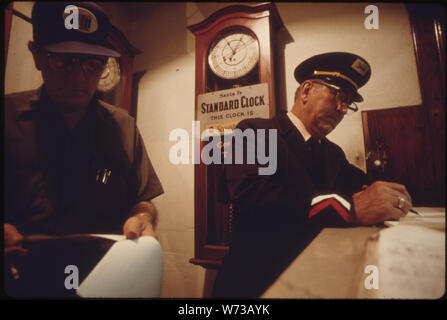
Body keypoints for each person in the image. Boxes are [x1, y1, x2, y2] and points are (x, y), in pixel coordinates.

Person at [212, 52, 413, 298]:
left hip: (315, 281)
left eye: (348, 103)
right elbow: (251, 195)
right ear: (306, 91)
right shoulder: (255, 131)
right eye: (338, 95)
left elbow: (364, 186)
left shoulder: (332, 153)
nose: (341, 109)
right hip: (253, 284)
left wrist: (388, 195)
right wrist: (348, 210)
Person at [4, 2, 163, 297]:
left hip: (106, 283)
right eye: (62, 60)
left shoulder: (124, 127)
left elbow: (142, 200)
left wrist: (143, 218)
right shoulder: (6, 117)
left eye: (93, 63)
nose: (77, 77)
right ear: (37, 55)